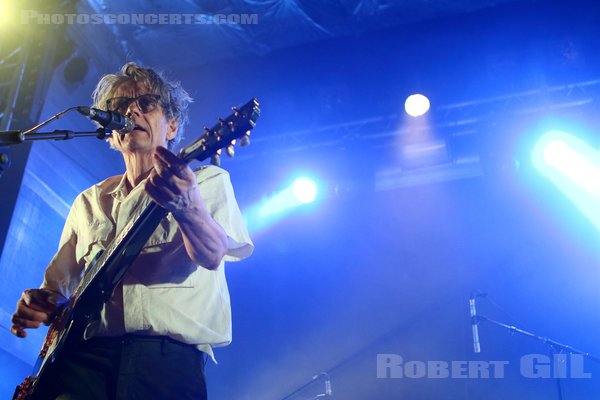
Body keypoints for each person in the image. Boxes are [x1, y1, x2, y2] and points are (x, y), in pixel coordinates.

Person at [10, 62, 253, 399]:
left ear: (172, 125)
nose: (131, 111)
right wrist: (38, 302)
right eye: (120, 108)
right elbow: (56, 290)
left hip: (165, 365)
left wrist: (187, 206)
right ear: (110, 133)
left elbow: (212, 255)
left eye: (146, 103)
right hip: (81, 362)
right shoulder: (88, 202)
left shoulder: (205, 182)